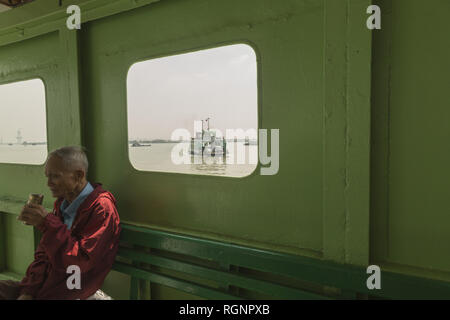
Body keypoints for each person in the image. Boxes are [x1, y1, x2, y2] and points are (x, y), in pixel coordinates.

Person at [0, 146, 121, 300]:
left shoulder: (101, 208)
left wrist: (47, 223)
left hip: (71, 290)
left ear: (78, 175)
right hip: (47, 286)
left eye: (55, 176)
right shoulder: (62, 205)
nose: (49, 183)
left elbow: (79, 263)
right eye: (47, 176)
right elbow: (43, 257)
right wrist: (28, 292)